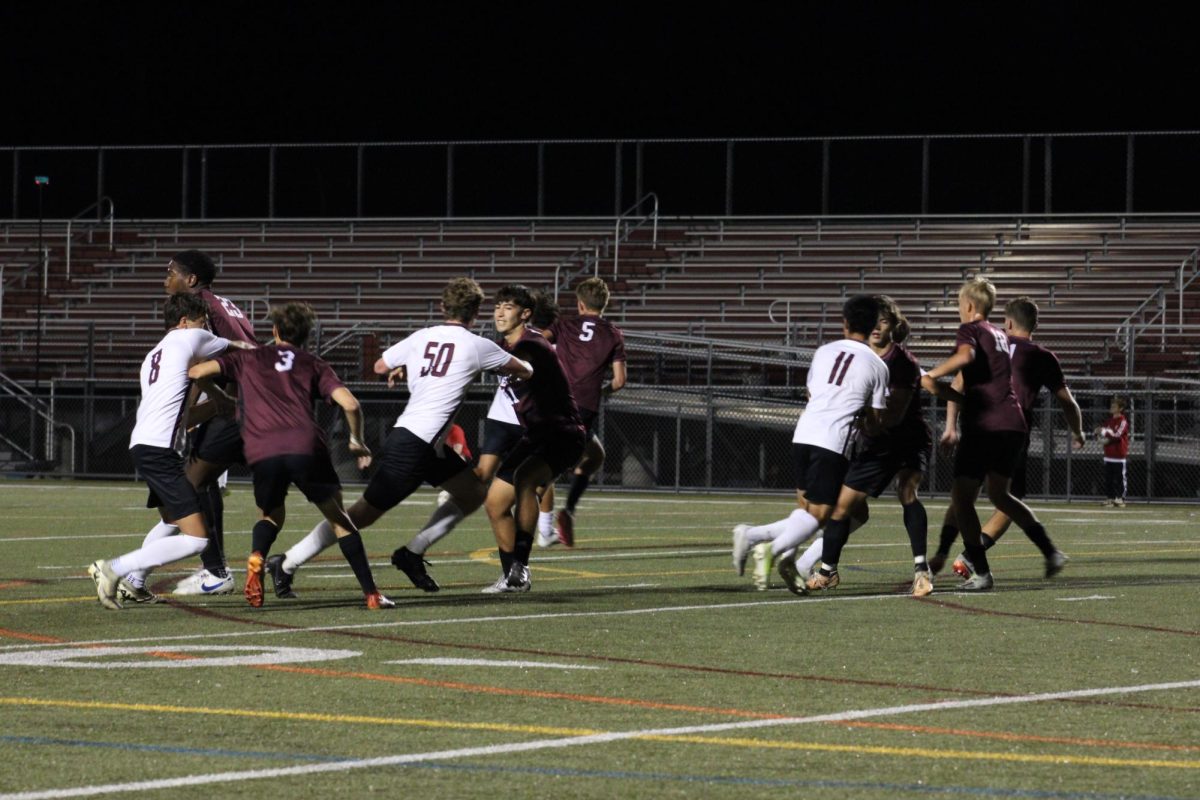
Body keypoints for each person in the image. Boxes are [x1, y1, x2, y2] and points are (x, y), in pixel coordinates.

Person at [266, 278, 532, 597]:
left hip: (422, 440)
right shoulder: (478, 345)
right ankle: (286, 563)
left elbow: (380, 365)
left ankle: (412, 553)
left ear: (442, 307)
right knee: (361, 514)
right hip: (415, 445)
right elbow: (526, 370)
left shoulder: (423, 336)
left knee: (473, 493)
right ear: (477, 311)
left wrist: (408, 367)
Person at [188, 302, 392, 609]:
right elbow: (350, 404)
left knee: (270, 514)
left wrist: (221, 396)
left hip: (261, 448)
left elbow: (196, 372)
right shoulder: (313, 363)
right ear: (307, 335)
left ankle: (257, 555)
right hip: (304, 446)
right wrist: (357, 441)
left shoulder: (249, 357)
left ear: (274, 330)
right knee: (340, 520)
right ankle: (372, 594)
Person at [763, 296, 936, 597]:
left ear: (893, 325)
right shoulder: (860, 357)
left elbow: (891, 417)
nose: (879, 327)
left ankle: (922, 572)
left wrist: (861, 420)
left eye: (885, 321)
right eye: (876, 321)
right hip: (875, 443)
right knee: (843, 509)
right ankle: (827, 570)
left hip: (905, 440)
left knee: (907, 492)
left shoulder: (902, 363)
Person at [88, 293, 243, 609]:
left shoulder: (152, 357)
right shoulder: (191, 337)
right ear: (185, 321)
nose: (206, 328)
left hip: (143, 446)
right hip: (159, 451)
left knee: (173, 520)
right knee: (197, 538)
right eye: (202, 322)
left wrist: (219, 405)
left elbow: (183, 414)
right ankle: (113, 569)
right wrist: (279, 354)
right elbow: (240, 350)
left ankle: (135, 582)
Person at [730, 295, 889, 591]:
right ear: (873, 327)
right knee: (818, 516)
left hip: (803, 432)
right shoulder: (878, 366)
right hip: (834, 440)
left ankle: (765, 545)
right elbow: (876, 421)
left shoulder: (823, 351)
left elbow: (811, 394)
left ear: (844, 323)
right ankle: (769, 548)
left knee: (820, 511)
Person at [919, 277, 1058, 592]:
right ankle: (1049, 549)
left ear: (968, 305)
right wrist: (941, 393)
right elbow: (971, 391)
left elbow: (964, 362)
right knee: (1000, 495)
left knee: (962, 497)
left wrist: (932, 375)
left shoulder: (971, 330)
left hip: (986, 426)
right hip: (1013, 424)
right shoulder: (999, 335)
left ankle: (979, 570)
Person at [161, 250, 258, 597]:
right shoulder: (219, 302)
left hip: (245, 401)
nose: (165, 279)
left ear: (191, 280)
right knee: (205, 482)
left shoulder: (201, 306)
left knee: (192, 484)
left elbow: (238, 356)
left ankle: (216, 571)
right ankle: (216, 569)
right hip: (247, 398)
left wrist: (221, 405)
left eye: (171, 272)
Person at [482, 285, 586, 593]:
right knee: (495, 504)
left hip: (561, 433)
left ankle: (521, 568)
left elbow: (518, 361)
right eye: (497, 306)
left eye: (508, 307)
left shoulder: (533, 344)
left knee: (525, 478)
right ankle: (511, 578)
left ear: (525, 314)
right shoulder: (503, 346)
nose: (500, 311)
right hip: (536, 434)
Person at [543, 277, 627, 547]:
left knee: (586, 456)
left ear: (580, 304)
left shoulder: (564, 325)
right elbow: (619, 381)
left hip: (556, 401)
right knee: (553, 466)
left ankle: (558, 517)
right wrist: (603, 392)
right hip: (584, 407)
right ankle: (548, 525)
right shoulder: (613, 333)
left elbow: (537, 342)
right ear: (604, 304)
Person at [1096, 395, 1131, 507]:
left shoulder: (1123, 421)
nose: (1112, 408)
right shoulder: (1109, 421)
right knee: (1108, 479)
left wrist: (1103, 433)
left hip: (1119, 456)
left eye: (1114, 406)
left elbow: (1117, 435)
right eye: (1111, 406)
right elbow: (1103, 433)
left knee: (1120, 478)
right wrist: (1098, 434)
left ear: (1120, 409)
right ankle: (1110, 498)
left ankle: (1120, 498)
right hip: (1108, 455)